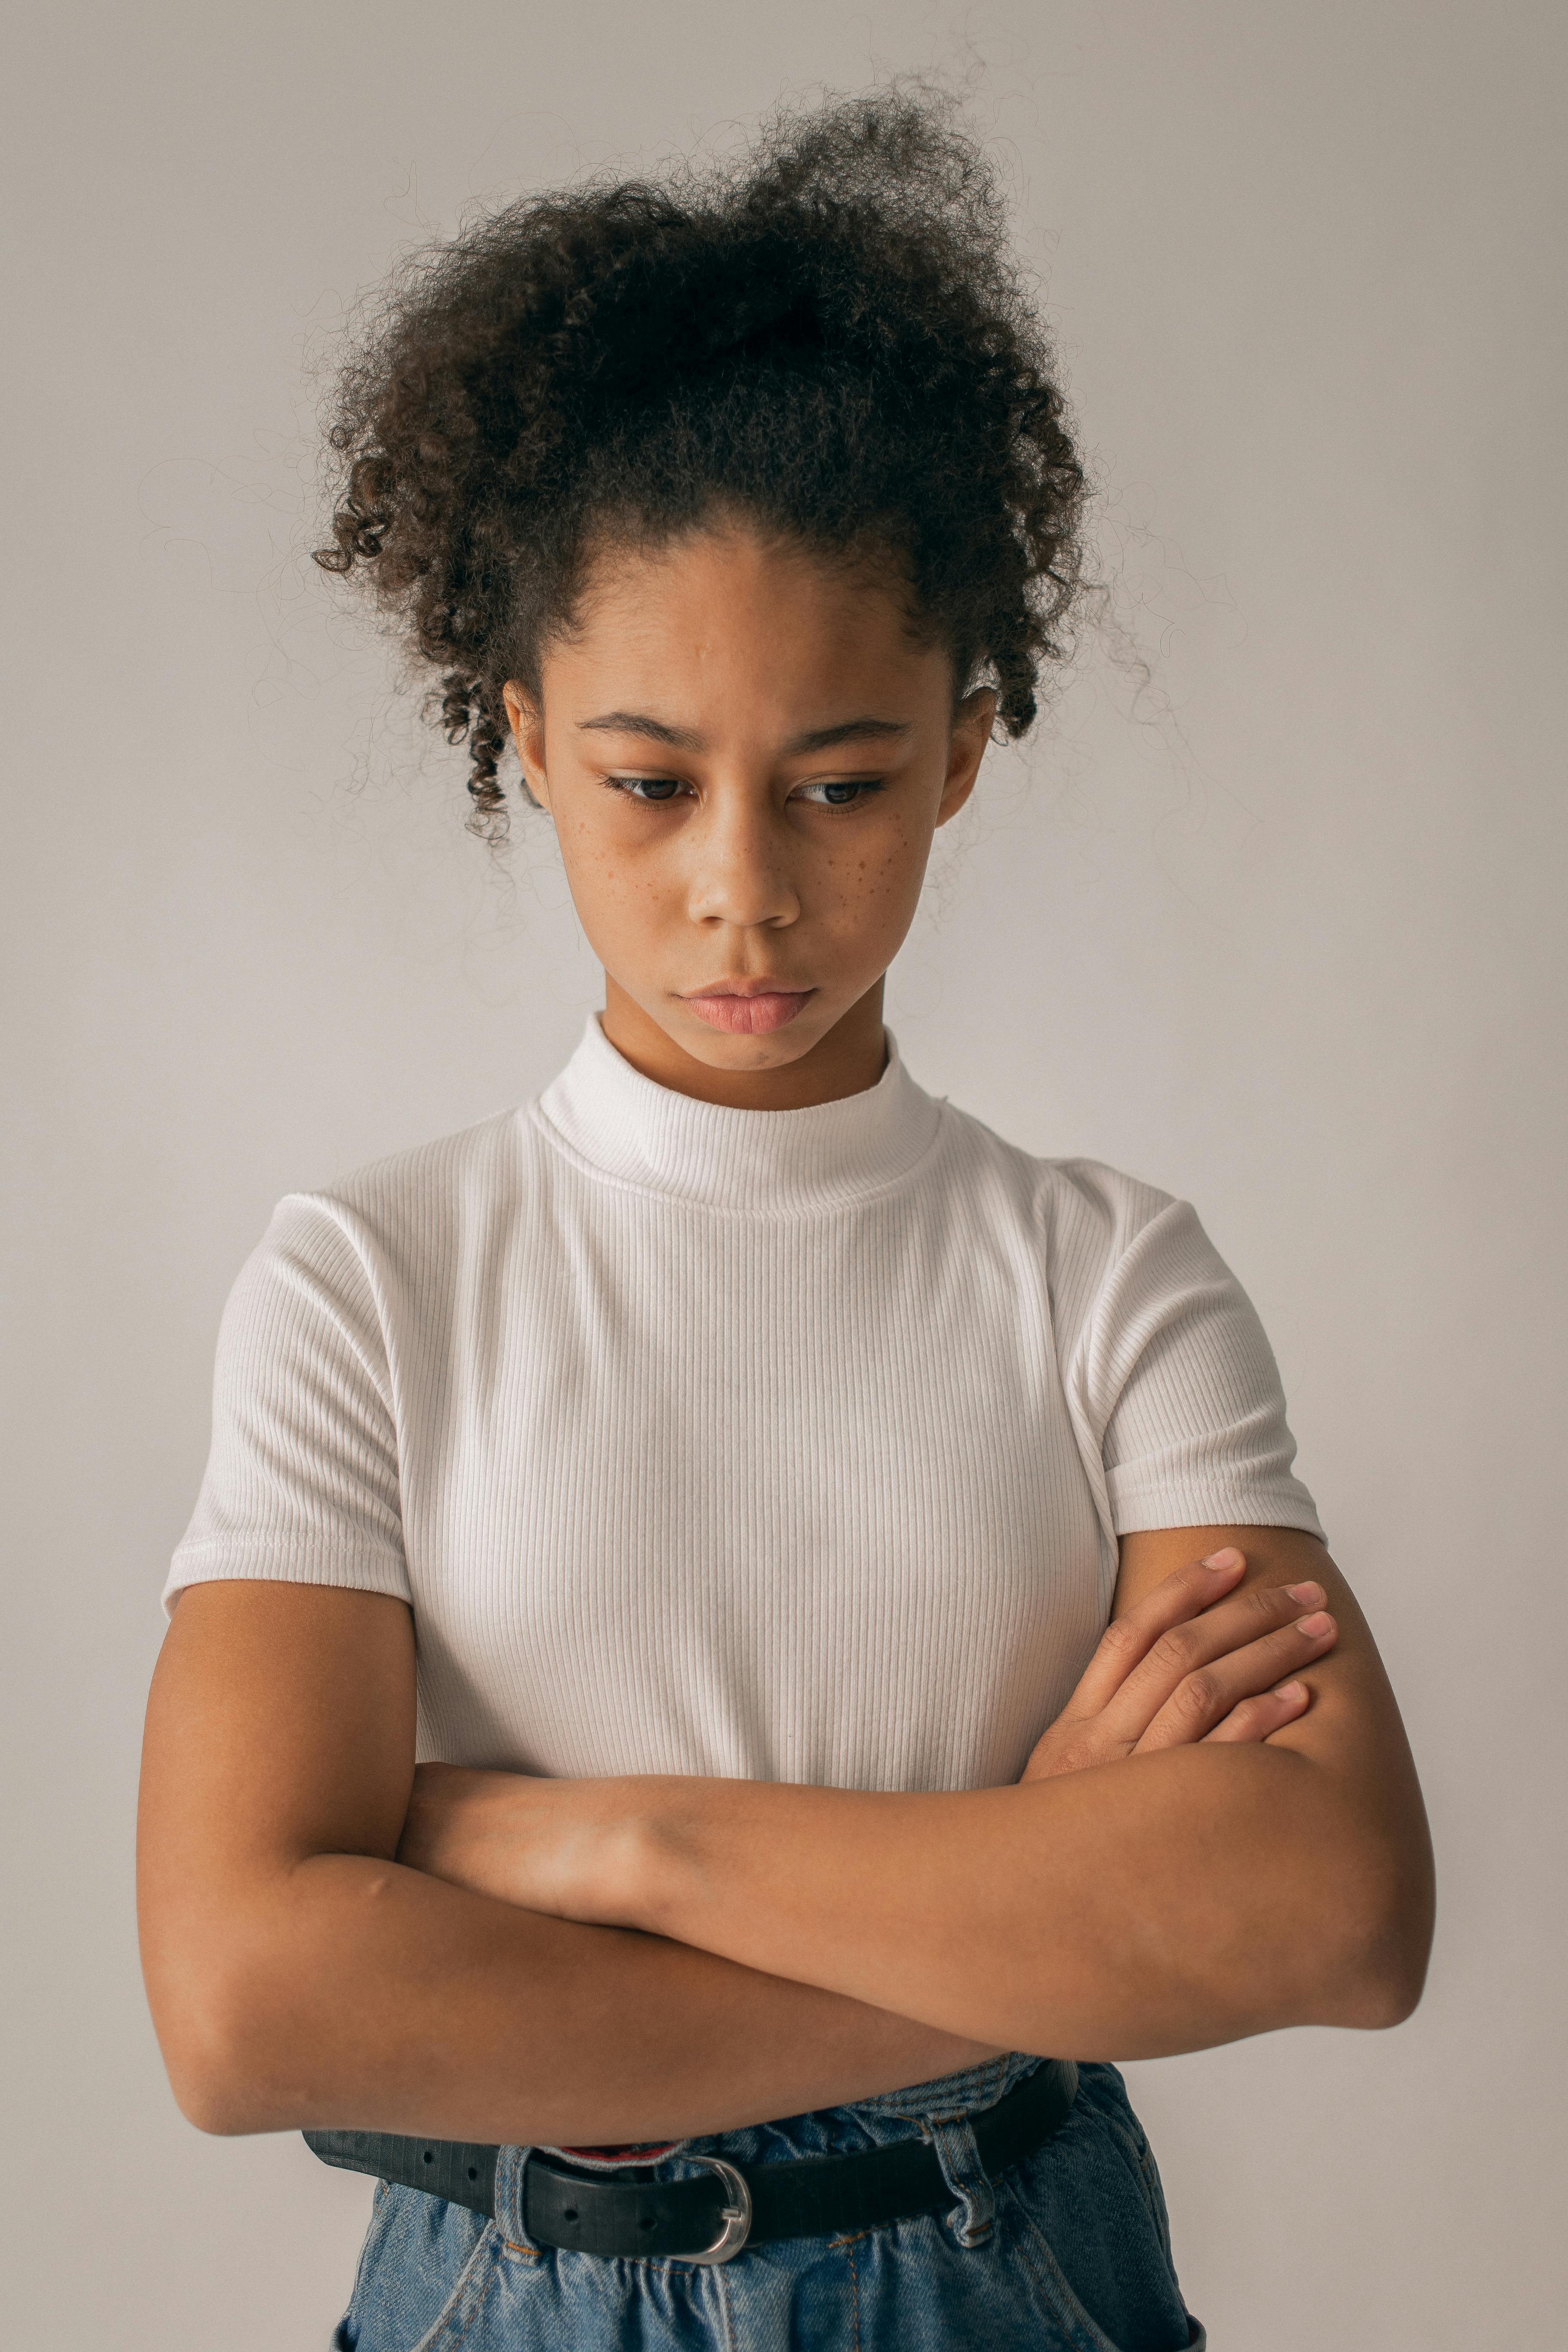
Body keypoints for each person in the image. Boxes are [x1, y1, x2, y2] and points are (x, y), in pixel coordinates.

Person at [136, 89, 1434, 2352]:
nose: (746, 880)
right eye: (650, 781)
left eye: (841, 780)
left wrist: (598, 1842)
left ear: (961, 743)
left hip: (1010, 2281)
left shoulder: (1106, 1276)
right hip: (510, 2295)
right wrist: (1008, 1918)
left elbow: (1330, 1911)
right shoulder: (374, 1281)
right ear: (524, 738)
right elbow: (249, 2003)